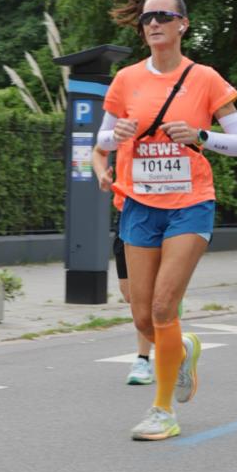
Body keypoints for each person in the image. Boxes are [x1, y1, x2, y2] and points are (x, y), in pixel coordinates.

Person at [97, 0, 237, 440]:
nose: (153, 24)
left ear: (182, 24)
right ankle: (180, 347)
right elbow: (102, 142)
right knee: (143, 317)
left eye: (163, 16)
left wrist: (201, 135)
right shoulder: (126, 79)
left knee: (165, 306)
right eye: (147, 18)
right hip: (140, 205)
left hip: (190, 204)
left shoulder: (204, 78)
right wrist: (117, 133)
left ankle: (162, 410)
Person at [91, 142, 154, 384]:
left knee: (150, 299)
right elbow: (98, 151)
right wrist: (101, 175)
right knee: (132, 296)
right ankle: (172, 332)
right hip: (127, 215)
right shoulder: (122, 130)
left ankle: (142, 359)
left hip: (160, 213)